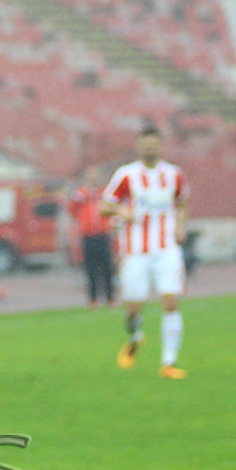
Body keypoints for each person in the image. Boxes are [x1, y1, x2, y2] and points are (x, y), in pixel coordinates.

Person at [99, 126, 189, 379]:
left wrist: (180, 225)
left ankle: (169, 363)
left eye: (154, 143)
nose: (150, 148)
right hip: (135, 250)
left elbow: (182, 202)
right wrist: (121, 211)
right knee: (133, 308)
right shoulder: (126, 175)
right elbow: (104, 206)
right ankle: (135, 337)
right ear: (138, 146)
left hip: (166, 248)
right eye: (145, 144)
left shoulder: (173, 174)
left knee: (171, 301)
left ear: (160, 145)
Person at [70, 167, 114, 308]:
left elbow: (112, 207)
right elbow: (72, 209)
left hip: (103, 234)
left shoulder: (104, 192)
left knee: (107, 267)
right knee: (91, 269)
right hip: (88, 236)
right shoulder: (81, 193)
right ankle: (93, 299)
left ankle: (110, 298)